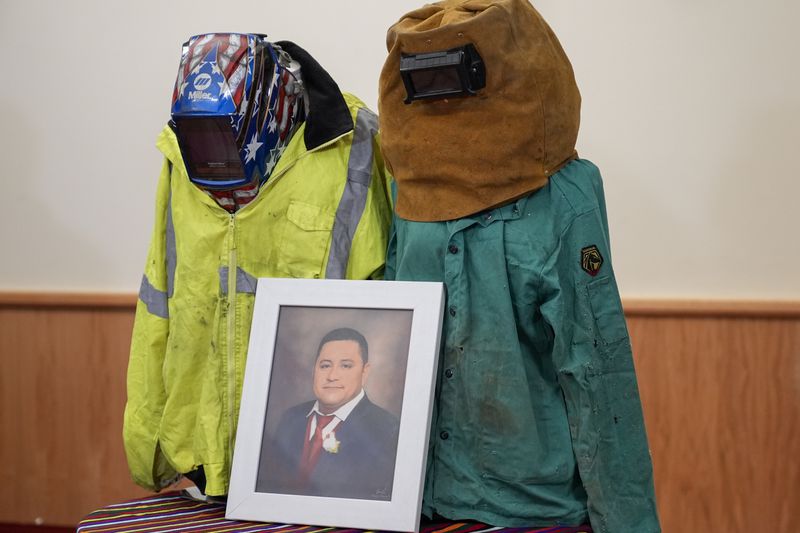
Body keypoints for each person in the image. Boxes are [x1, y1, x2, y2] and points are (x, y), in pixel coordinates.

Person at [378, 1, 661, 532]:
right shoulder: (405, 191)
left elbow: (597, 369)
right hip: (418, 499)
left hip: (531, 507)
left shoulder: (564, 198)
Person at [123, 33, 393, 498]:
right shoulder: (178, 154)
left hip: (325, 470)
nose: (214, 156)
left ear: (270, 111)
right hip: (204, 457)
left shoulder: (354, 145)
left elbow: (393, 293)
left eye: (226, 139)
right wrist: (148, 447)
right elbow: (160, 303)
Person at [257, 327, 400, 500]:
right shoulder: (290, 418)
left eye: (346, 366)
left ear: (365, 372)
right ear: (314, 369)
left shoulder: (387, 430)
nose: (332, 376)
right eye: (325, 365)